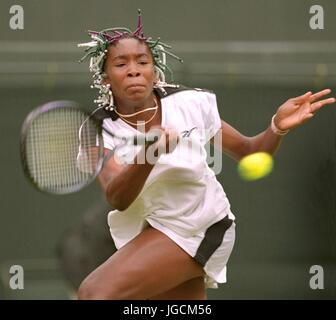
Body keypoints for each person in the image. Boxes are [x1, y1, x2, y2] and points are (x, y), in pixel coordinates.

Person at [76, 10, 335, 300]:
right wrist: (150, 154)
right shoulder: (97, 129)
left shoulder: (189, 104)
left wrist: (277, 126)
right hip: (149, 230)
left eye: (143, 61)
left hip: (200, 225)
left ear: (154, 70)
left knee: (94, 294)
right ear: (105, 79)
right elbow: (118, 197)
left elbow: (252, 151)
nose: (134, 70)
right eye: (121, 63)